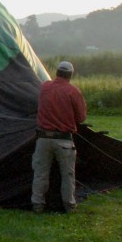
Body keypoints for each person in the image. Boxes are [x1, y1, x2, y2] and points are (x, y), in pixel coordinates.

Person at [31, 60, 87, 213]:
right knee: (67, 175)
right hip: (64, 140)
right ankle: (69, 206)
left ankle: (37, 205)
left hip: (43, 139)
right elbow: (81, 117)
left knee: (40, 174)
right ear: (70, 75)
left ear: (57, 72)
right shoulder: (73, 91)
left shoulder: (44, 88)